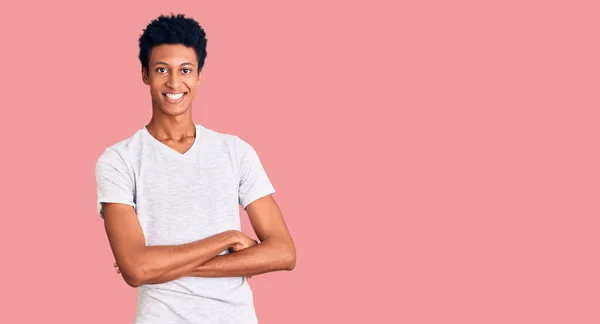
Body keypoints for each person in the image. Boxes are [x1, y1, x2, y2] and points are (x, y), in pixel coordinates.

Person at [94, 13, 296, 324]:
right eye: (162, 70)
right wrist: (227, 239)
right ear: (145, 74)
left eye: (185, 70)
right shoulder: (119, 160)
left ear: (199, 74)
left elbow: (284, 252)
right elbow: (136, 270)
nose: (174, 83)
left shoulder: (235, 151)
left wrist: (160, 264)